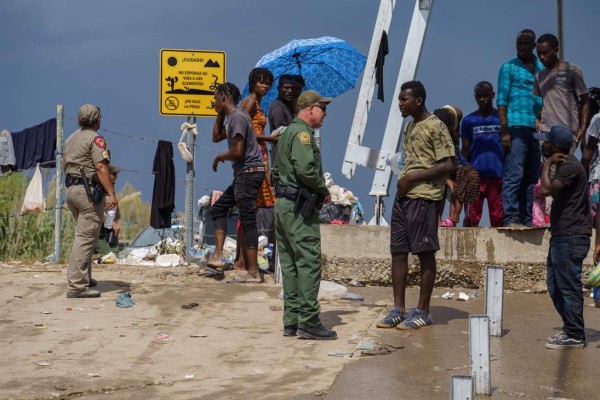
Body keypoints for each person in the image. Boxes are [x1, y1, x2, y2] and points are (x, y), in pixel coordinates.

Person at [377, 81, 455, 330]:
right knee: (398, 252)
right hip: (404, 198)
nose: (400, 103)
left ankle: (423, 311)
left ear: (418, 100)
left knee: (424, 253)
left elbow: (448, 165)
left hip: (424, 197)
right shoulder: (409, 126)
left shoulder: (436, 126)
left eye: (404, 99)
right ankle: (398, 309)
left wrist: (412, 177)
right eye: (399, 99)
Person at [271, 90, 336, 340]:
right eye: (322, 107)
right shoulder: (302, 135)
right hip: (299, 207)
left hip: (284, 205)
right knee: (308, 262)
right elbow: (306, 169)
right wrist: (323, 188)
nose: (325, 113)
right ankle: (308, 321)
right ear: (310, 109)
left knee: (289, 264)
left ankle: (292, 320)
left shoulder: (286, 132)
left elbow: (276, 171)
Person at [536, 125, 591, 349]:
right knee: (555, 286)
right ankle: (570, 328)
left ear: (556, 147)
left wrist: (548, 164)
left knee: (568, 287)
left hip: (571, 236)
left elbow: (545, 190)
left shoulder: (568, 167)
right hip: (562, 235)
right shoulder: (566, 165)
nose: (543, 145)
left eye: (547, 142)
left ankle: (576, 334)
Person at [208, 82, 266, 283]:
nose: (213, 102)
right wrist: (220, 112)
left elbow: (238, 152)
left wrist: (219, 157)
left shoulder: (239, 118)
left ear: (224, 97)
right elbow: (215, 137)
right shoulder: (232, 117)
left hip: (248, 173)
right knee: (218, 209)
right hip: (245, 174)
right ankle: (217, 257)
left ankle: (253, 272)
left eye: (216, 98)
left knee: (248, 219)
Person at [63, 104, 117, 298]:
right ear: (97, 120)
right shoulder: (96, 139)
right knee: (86, 237)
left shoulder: (71, 138)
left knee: (87, 234)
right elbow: (101, 167)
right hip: (87, 193)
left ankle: (85, 277)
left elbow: (65, 165)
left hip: (71, 190)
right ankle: (77, 286)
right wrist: (111, 194)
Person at [497, 29, 544, 227]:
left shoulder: (541, 67)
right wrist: (505, 130)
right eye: (520, 45)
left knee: (532, 176)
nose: (523, 48)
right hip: (515, 126)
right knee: (514, 174)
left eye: (527, 44)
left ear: (534, 45)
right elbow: (502, 100)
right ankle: (511, 217)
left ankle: (526, 218)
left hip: (535, 129)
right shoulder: (508, 67)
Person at [234, 68, 277, 271]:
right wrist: (271, 138)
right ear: (252, 83)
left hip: (260, 155)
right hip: (253, 157)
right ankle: (241, 260)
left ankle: (242, 259)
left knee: (252, 208)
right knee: (248, 208)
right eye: (261, 82)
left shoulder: (258, 103)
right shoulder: (250, 102)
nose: (265, 85)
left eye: (268, 82)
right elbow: (246, 132)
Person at [533, 33, 590, 153]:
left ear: (556, 50)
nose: (542, 57)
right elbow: (537, 104)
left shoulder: (571, 71)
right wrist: (537, 123)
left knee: (564, 169)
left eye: (545, 53)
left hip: (567, 133)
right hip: (546, 134)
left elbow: (585, 100)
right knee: (548, 170)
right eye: (539, 54)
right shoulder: (539, 76)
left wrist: (583, 128)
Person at [461, 81, 505, 227]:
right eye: (479, 96)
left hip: (498, 176)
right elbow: (465, 149)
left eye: (485, 95)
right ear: (475, 97)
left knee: (498, 218)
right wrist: (464, 171)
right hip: (475, 177)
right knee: (471, 218)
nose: (482, 99)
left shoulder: (502, 118)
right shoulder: (468, 121)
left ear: (492, 95)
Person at [435, 105, 464, 227]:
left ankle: (452, 219)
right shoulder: (434, 130)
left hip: (453, 155)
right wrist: (448, 180)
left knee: (457, 188)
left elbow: (456, 144)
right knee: (441, 188)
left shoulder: (457, 114)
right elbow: (439, 161)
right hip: (439, 161)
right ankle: (437, 219)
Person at [94, 164, 121, 258]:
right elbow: (96, 210)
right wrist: (112, 224)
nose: (116, 178)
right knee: (109, 255)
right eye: (113, 174)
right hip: (100, 231)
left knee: (114, 255)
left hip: (109, 230)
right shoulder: (99, 188)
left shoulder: (110, 188)